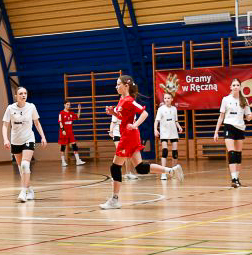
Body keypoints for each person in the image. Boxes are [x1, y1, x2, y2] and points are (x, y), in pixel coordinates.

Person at [100, 75, 182, 209]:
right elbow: (123, 116)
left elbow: (145, 113)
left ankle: (115, 199)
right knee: (140, 168)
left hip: (128, 136)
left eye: (118, 84)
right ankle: (171, 171)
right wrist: (113, 114)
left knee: (115, 167)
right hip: (128, 135)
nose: (116, 87)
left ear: (126, 85)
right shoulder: (122, 100)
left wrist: (135, 125)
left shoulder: (129, 100)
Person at [2, 86, 47, 202]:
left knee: (25, 165)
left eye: (25, 93)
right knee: (21, 168)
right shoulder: (10, 108)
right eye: (21, 93)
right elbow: (5, 125)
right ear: (16, 96)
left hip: (28, 138)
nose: (23, 95)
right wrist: (5, 139)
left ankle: (23, 192)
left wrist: (43, 137)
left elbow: (37, 123)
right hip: (15, 140)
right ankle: (29, 190)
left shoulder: (31, 107)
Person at [213, 78, 252, 188]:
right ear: (230, 87)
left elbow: (247, 118)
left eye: (237, 85)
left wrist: (251, 116)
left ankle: (237, 179)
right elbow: (221, 117)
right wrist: (216, 132)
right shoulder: (225, 99)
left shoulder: (244, 100)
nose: (235, 87)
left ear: (240, 87)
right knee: (232, 152)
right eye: (233, 85)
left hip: (240, 128)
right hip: (229, 126)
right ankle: (233, 179)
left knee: (238, 154)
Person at [153, 92, 183, 177]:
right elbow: (157, 121)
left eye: (168, 98)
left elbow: (175, 121)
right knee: (165, 151)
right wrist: (155, 129)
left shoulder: (174, 109)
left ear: (172, 99)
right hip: (164, 132)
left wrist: (179, 127)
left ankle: (174, 172)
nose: (166, 100)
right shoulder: (161, 109)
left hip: (173, 132)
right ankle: (163, 172)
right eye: (165, 98)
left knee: (175, 153)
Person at [57, 101, 87, 167]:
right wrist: (63, 130)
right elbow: (60, 122)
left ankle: (78, 160)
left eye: (69, 105)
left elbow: (77, 117)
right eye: (67, 104)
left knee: (74, 145)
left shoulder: (71, 113)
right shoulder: (61, 113)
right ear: (64, 105)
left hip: (70, 132)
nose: (68, 106)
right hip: (64, 132)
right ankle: (63, 161)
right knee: (63, 146)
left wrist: (79, 110)